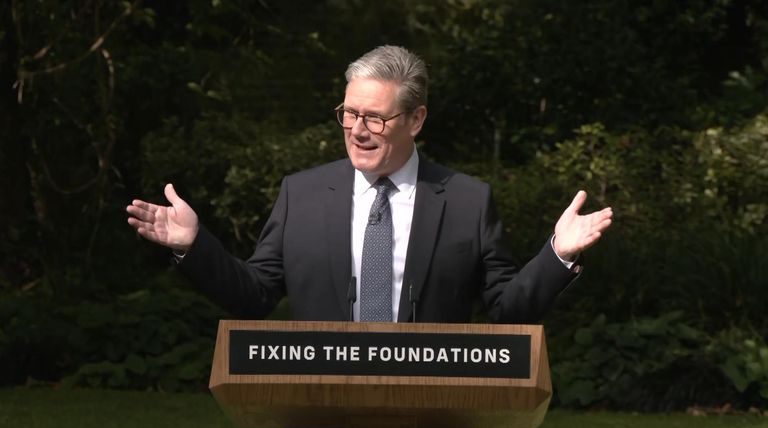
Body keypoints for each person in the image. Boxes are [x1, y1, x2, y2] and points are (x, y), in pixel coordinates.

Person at [126, 45, 612, 324]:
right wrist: (194, 246)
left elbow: (506, 313)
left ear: (416, 119)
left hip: (432, 409)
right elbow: (253, 296)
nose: (357, 130)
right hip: (319, 406)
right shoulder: (302, 195)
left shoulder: (468, 200)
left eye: (375, 118)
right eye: (349, 113)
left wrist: (558, 256)